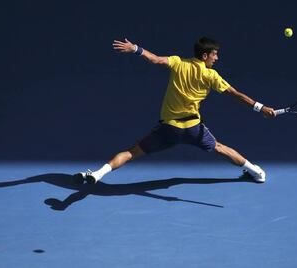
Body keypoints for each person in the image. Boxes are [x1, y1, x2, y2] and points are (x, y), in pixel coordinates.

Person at [75, 37, 275, 184]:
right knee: (220, 148)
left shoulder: (178, 63)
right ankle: (256, 173)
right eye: (215, 54)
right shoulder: (211, 75)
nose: (217, 58)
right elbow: (236, 94)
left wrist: (135, 48)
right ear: (205, 55)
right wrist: (261, 108)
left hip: (168, 129)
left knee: (131, 152)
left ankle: (97, 175)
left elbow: (154, 59)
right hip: (193, 128)